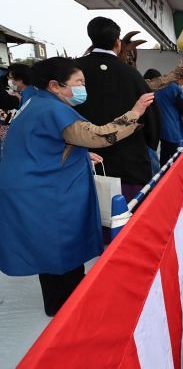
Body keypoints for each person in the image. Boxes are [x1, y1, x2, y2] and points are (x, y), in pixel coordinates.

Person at [0, 57, 154, 316]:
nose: (84, 87)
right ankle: (67, 310)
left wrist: (79, 153)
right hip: (47, 193)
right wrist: (135, 112)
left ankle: (64, 301)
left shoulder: (35, 102)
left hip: (31, 187)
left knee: (50, 252)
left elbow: (45, 143)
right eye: (78, 82)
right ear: (55, 85)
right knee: (62, 248)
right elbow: (99, 134)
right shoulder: (54, 110)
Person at [75, 16, 161, 200]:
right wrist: (150, 143)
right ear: (117, 42)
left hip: (83, 162)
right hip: (129, 163)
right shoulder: (132, 75)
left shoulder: (73, 71)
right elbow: (151, 117)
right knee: (126, 219)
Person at [154, 73, 183, 165]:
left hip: (161, 124)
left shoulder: (161, 87)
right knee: (175, 156)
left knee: (164, 153)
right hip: (171, 126)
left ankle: (163, 175)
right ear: (180, 79)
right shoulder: (175, 88)